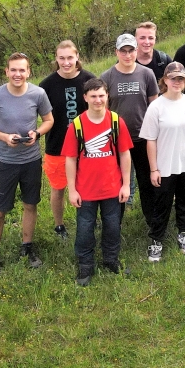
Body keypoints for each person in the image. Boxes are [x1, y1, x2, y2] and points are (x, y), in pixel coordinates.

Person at [0, 52, 54, 279]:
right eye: (14, 70)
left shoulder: (38, 94)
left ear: (29, 71)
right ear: (7, 72)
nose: (18, 74)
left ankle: (27, 248)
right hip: (6, 161)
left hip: (31, 160)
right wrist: (4, 137)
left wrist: (37, 133)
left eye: (22, 70)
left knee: (30, 205)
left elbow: (49, 120)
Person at [62, 78, 132, 286]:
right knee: (85, 228)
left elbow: (125, 154)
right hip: (86, 191)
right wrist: (72, 190)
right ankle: (85, 265)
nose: (98, 100)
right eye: (93, 96)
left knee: (112, 226)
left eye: (101, 95)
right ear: (85, 98)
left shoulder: (116, 121)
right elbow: (70, 159)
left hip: (112, 188)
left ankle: (111, 260)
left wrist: (126, 184)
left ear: (107, 96)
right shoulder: (77, 125)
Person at [138, 62, 185, 261]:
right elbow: (150, 140)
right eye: (172, 78)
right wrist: (154, 169)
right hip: (165, 165)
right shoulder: (156, 106)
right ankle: (156, 240)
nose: (176, 82)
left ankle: (183, 234)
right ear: (165, 80)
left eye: (180, 79)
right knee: (162, 204)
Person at [38, 41, 96, 240]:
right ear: (56, 59)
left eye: (70, 57)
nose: (66, 62)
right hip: (57, 146)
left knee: (88, 186)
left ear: (77, 57)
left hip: (86, 146)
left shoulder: (89, 80)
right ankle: (59, 226)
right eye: (61, 58)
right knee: (58, 188)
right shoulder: (46, 85)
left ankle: (88, 222)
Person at [100, 34, 159, 225]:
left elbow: (155, 107)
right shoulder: (107, 77)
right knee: (118, 183)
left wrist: (156, 135)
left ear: (137, 51)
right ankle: (115, 223)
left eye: (131, 50)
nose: (127, 55)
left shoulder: (146, 74)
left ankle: (152, 221)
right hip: (117, 140)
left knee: (146, 181)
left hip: (143, 137)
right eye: (123, 51)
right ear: (116, 52)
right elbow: (103, 111)